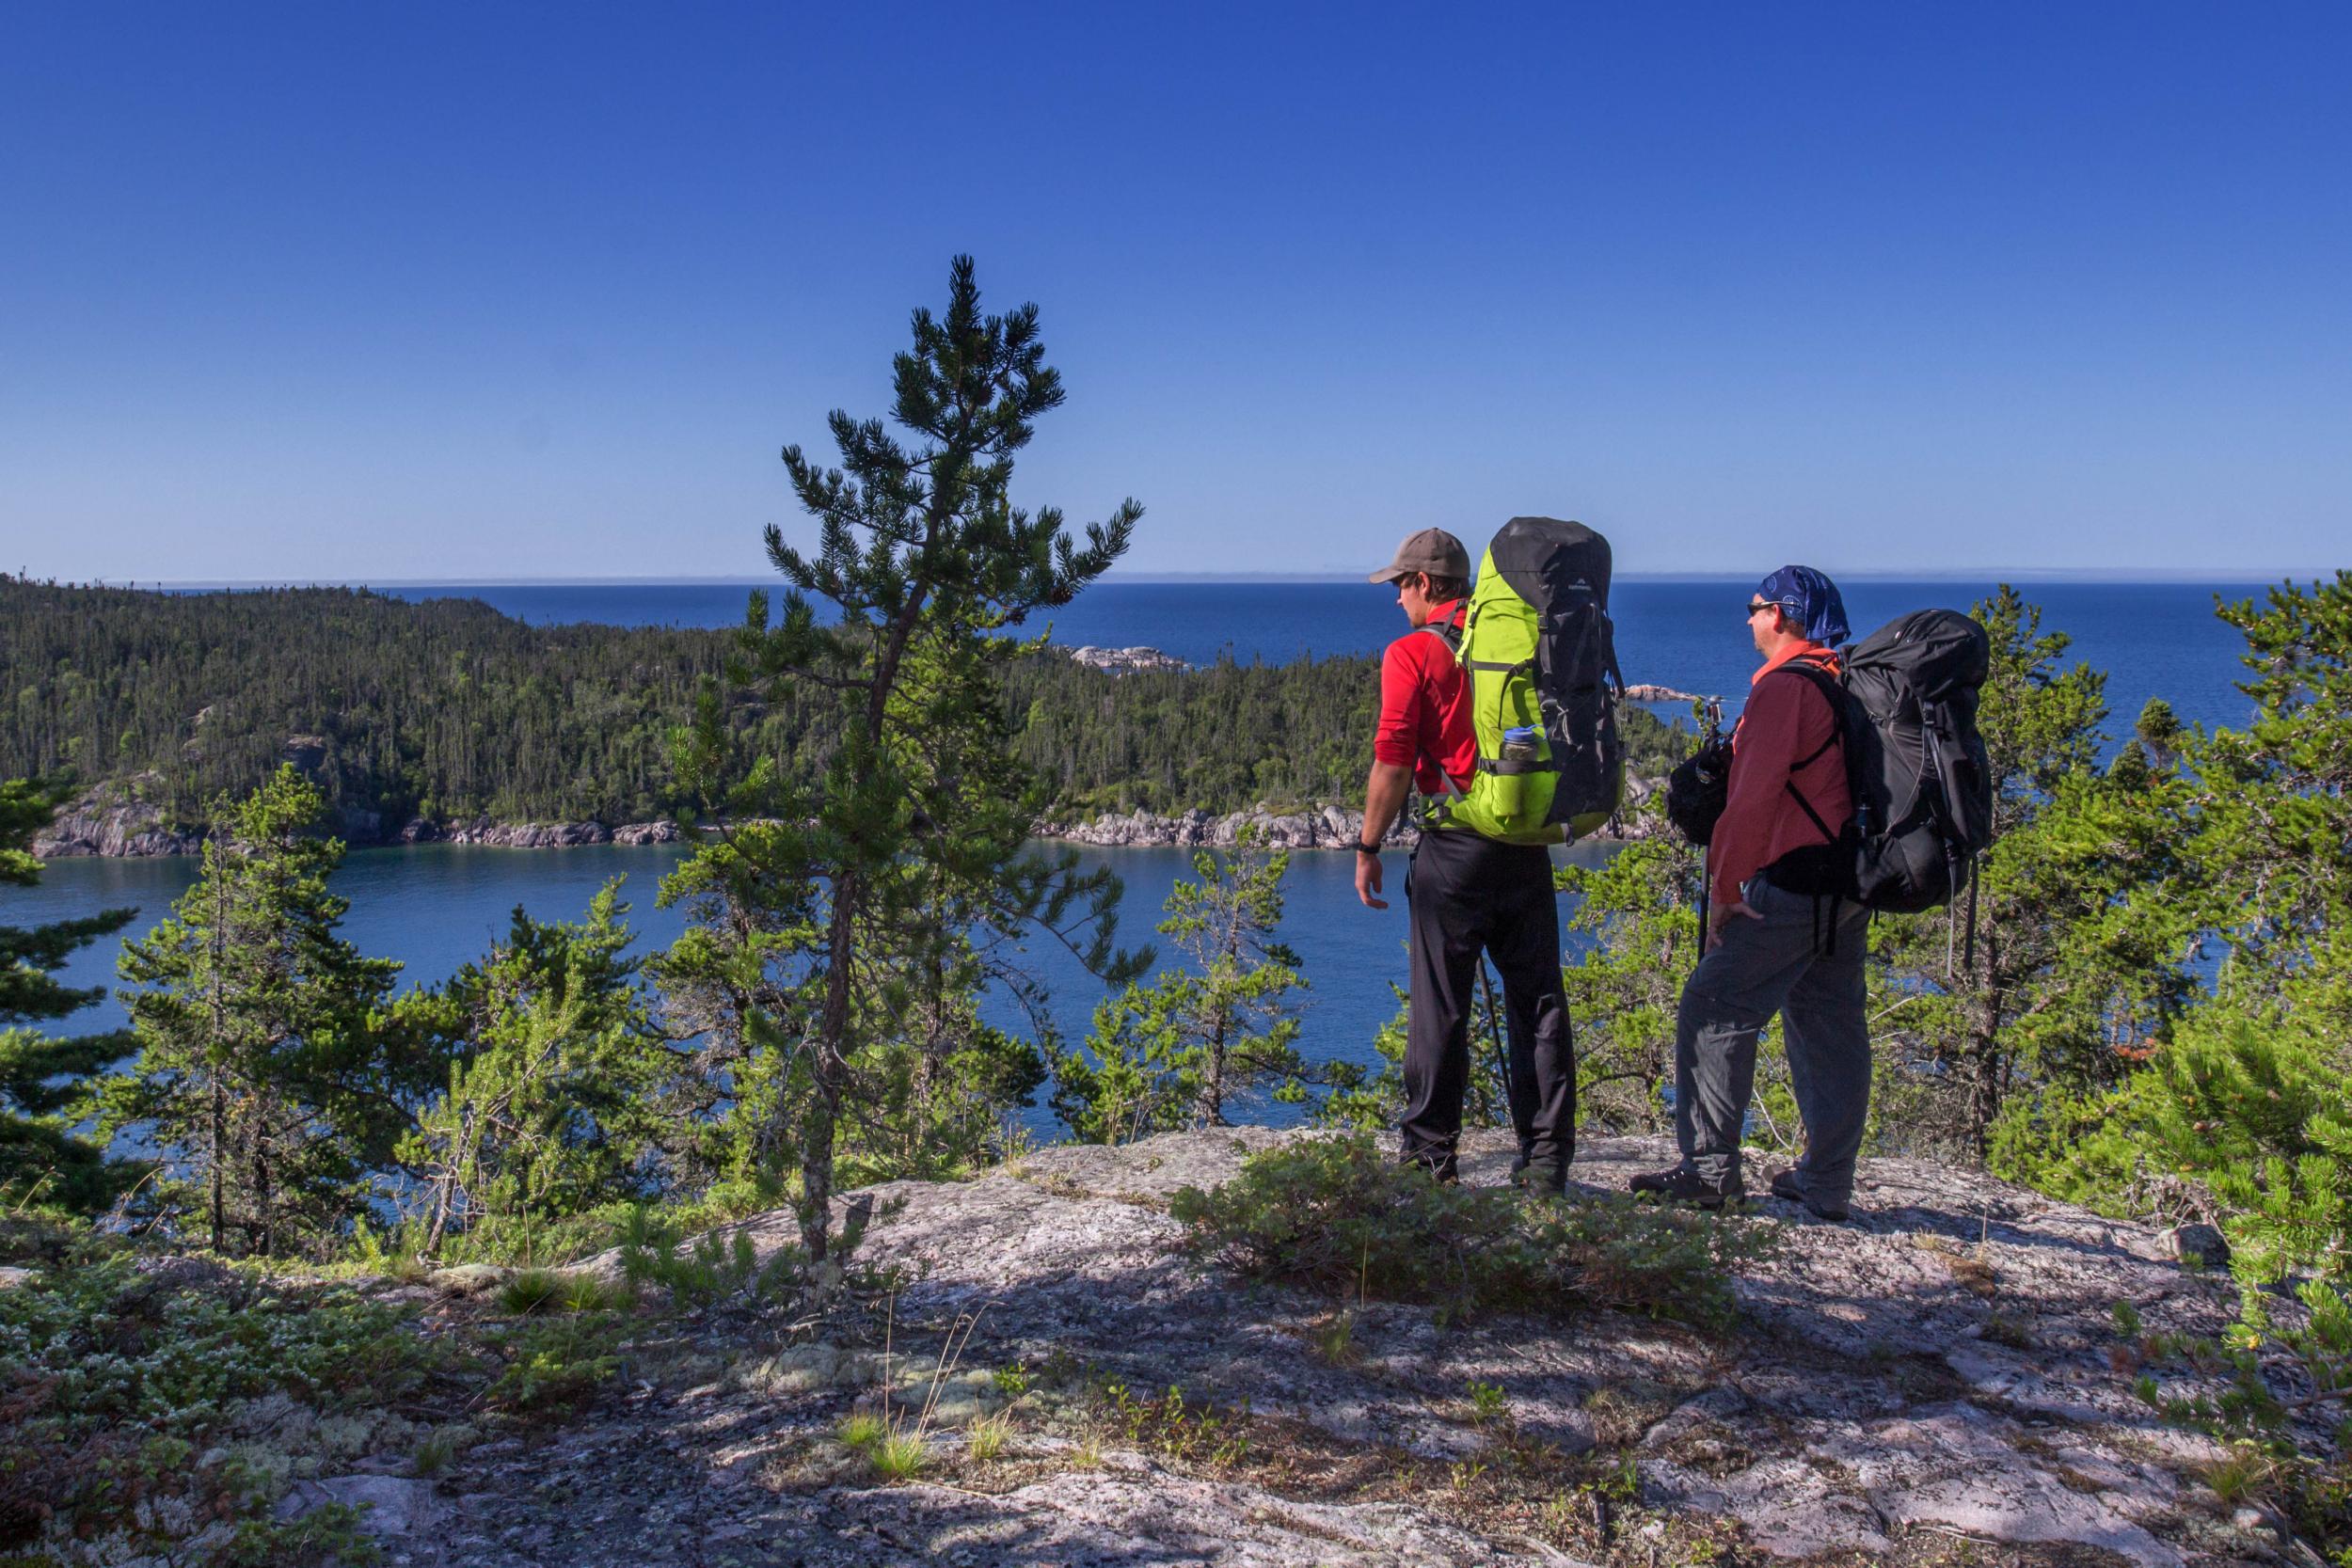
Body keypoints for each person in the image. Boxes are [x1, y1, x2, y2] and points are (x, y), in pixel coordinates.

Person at [1632, 564, 1869, 1220]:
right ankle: (1827, 1181)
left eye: (1756, 606)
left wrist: (1725, 893)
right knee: (1830, 1025)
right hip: (1844, 885)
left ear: (1785, 615)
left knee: (1713, 1003)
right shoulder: (1836, 678)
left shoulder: (1783, 691)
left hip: (1791, 886)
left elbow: (1749, 802)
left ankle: (1709, 1171)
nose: (1748, 618)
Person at [1354, 527, 1575, 1190]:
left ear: (1427, 583)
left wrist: (1368, 847)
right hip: (1525, 840)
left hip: (1456, 850)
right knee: (1537, 999)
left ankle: (1429, 1163)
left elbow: (1392, 761)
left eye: (1400, 584)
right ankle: (1545, 1161)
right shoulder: (1512, 639)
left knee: (1441, 1006)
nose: (1396, 598)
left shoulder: (1413, 654)